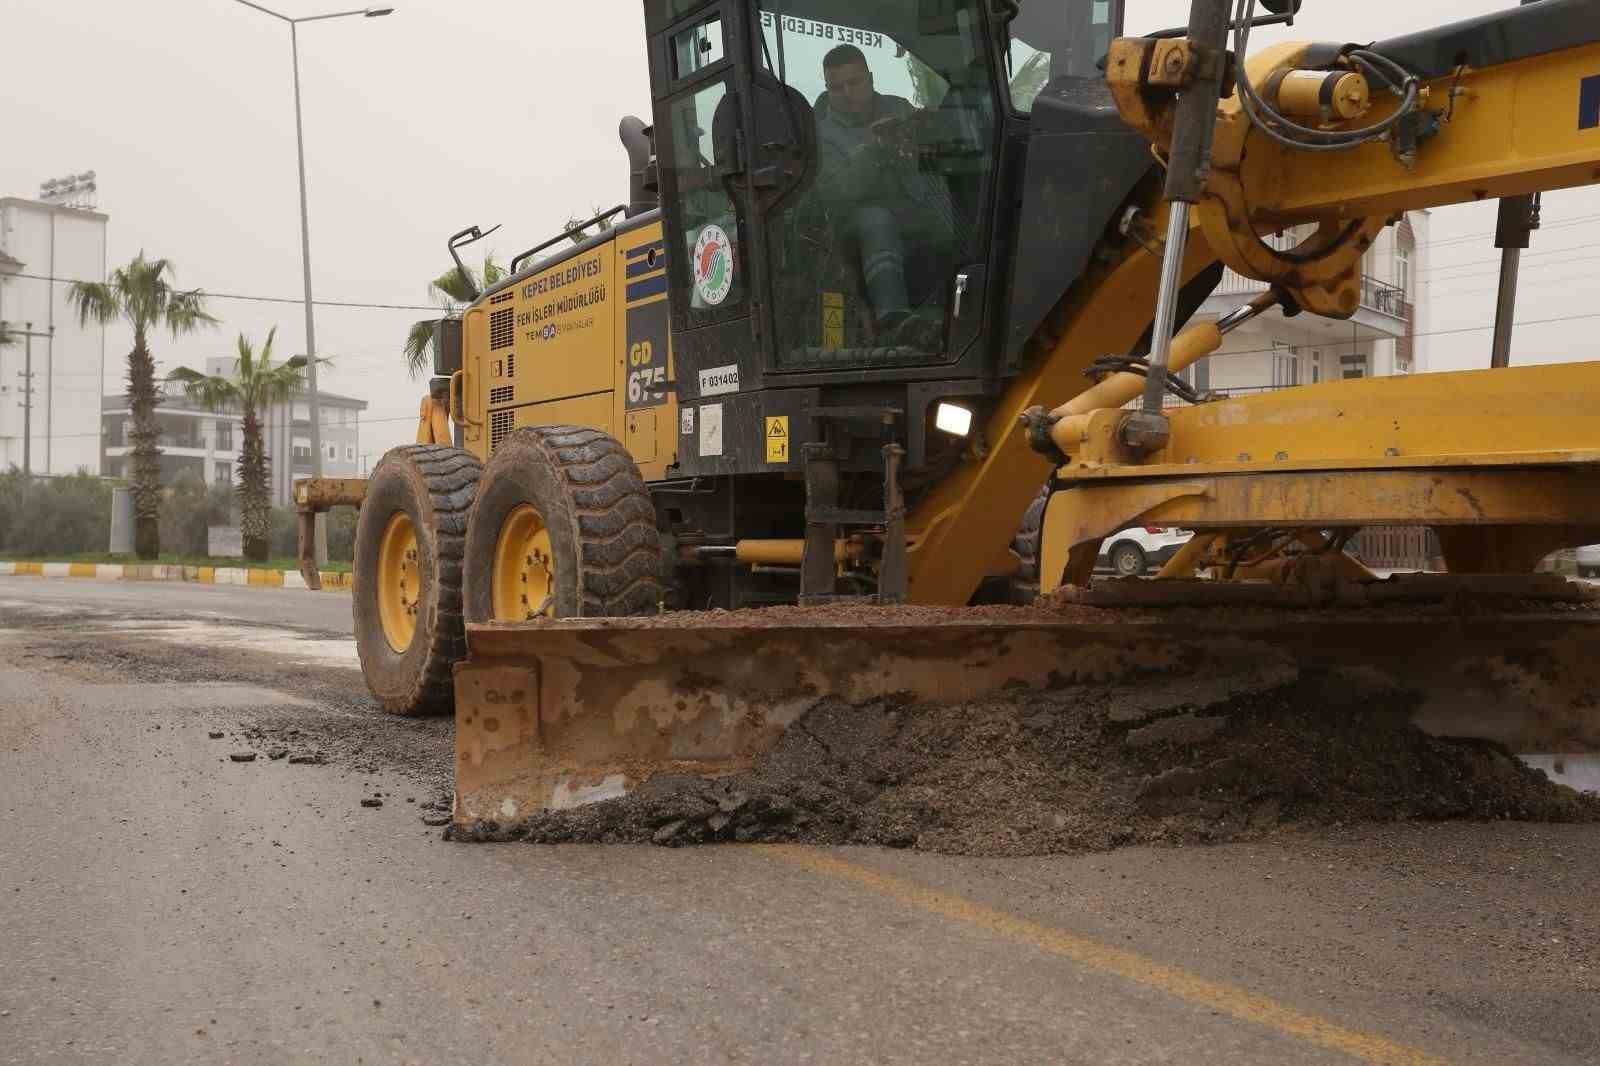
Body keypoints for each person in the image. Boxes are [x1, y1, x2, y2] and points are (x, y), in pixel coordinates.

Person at [813, 44, 953, 344]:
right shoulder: (821, 136)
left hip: (911, 212)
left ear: (871, 79)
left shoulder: (899, 108)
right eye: (836, 88)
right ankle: (894, 319)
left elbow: (928, 160)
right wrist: (873, 149)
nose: (847, 93)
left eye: (854, 82)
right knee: (876, 219)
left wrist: (928, 132)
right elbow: (839, 191)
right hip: (852, 230)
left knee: (949, 212)